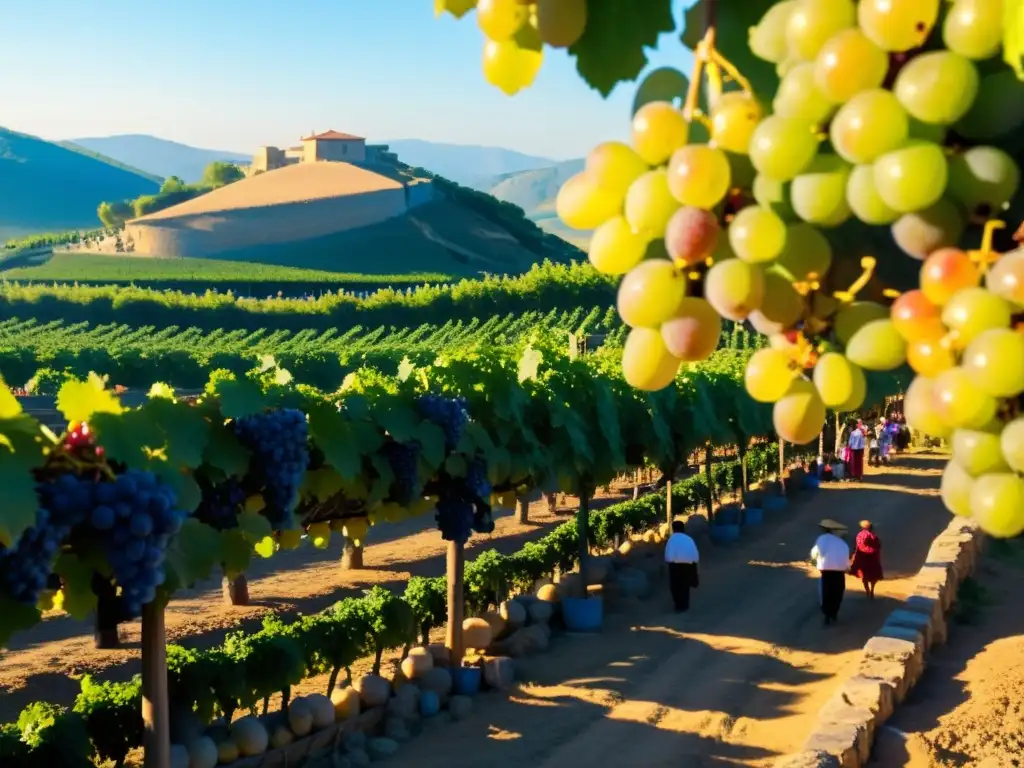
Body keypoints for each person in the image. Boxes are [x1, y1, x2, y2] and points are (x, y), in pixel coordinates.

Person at [810, 520, 851, 625]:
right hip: (839, 571)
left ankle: (827, 615)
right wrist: (847, 568)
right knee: (837, 592)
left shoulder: (821, 539)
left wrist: (814, 562)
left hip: (825, 570)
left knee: (826, 592)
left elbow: (816, 553)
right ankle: (834, 613)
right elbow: (846, 559)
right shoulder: (842, 543)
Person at [664, 519, 700, 612]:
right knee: (685, 587)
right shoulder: (688, 539)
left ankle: (678, 605)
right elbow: (695, 554)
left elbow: (668, 556)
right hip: (688, 566)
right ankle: (685, 605)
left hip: (675, 566)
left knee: (675, 587)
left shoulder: (671, 540)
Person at [849, 520, 883, 598]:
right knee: (874, 576)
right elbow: (878, 546)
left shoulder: (859, 535)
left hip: (862, 559)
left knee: (864, 577)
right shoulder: (874, 536)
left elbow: (859, 546)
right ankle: (872, 590)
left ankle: (867, 591)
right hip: (873, 559)